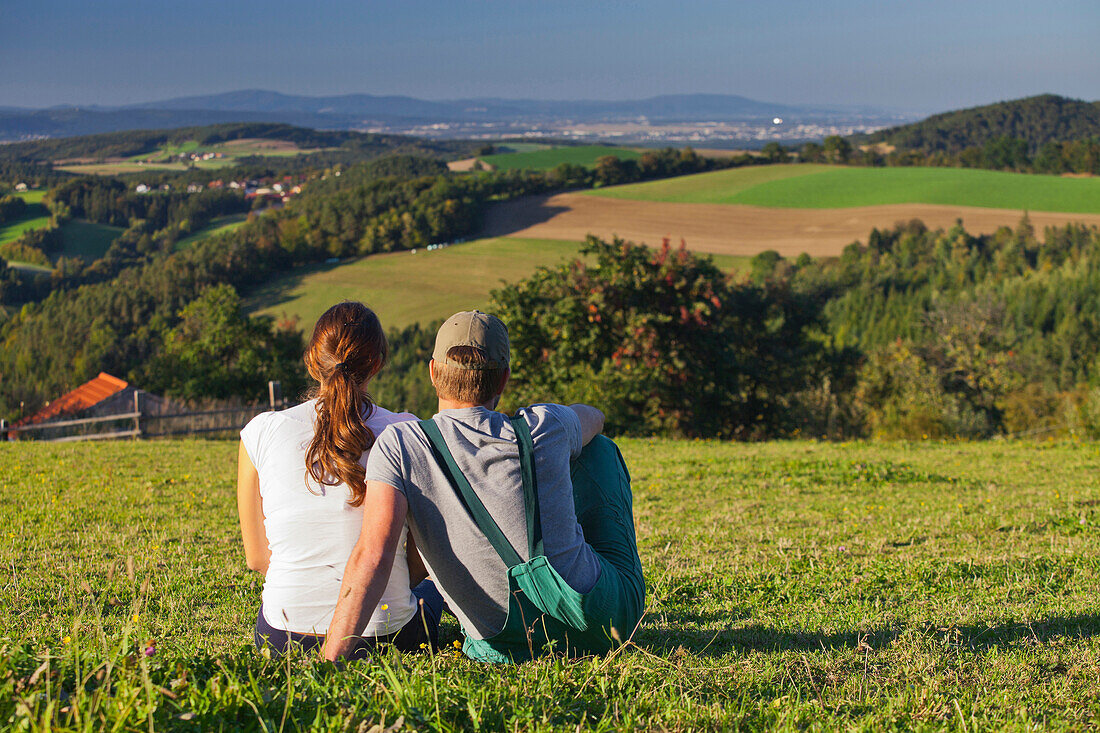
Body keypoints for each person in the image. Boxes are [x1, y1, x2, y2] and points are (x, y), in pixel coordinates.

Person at [324, 310, 645, 663]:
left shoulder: (401, 444)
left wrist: (331, 659)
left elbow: (373, 555)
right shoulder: (544, 425)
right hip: (601, 626)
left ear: (433, 372)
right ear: (503, 379)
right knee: (598, 449)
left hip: (497, 646)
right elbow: (594, 417)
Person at [237, 301, 443, 659]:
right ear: (377, 364)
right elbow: (418, 561)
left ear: (312, 359)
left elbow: (257, 558)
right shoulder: (408, 431)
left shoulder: (261, 431)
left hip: (283, 634)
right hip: (386, 634)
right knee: (431, 593)